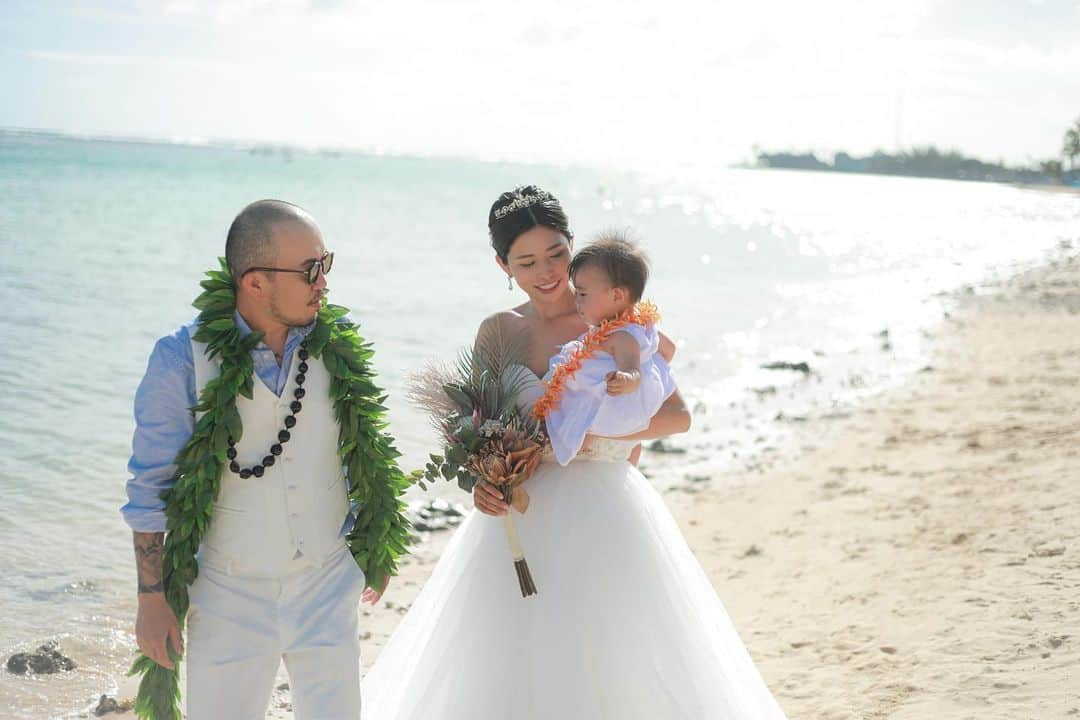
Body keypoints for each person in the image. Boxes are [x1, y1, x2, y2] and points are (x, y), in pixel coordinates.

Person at [359, 186, 788, 719]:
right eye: (527, 261)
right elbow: (477, 429)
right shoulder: (499, 331)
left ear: (572, 245)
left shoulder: (616, 320)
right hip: (520, 517)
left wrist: (594, 440)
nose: (547, 272)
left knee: (607, 653)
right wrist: (485, 483)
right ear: (503, 264)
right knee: (505, 659)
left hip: (604, 510)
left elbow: (679, 416)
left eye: (557, 253)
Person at [122, 199, 406, 720]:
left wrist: (374, 540)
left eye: (326, 264)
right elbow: (151, 489)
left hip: (326, 580)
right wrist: (151, 600)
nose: (324, 282)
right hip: (228, 592)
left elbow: (359, 450)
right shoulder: (180, 358)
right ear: (255, 283)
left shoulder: (335, 348)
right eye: (309, 270)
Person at [539, 231, 677, 465]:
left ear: (616, 295)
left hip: (611, 404)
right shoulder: (624, 327)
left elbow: (633, 370)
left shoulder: (622, 336)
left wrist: (625, 379)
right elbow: (669, 348)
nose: (577, 301)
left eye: (583, 294)